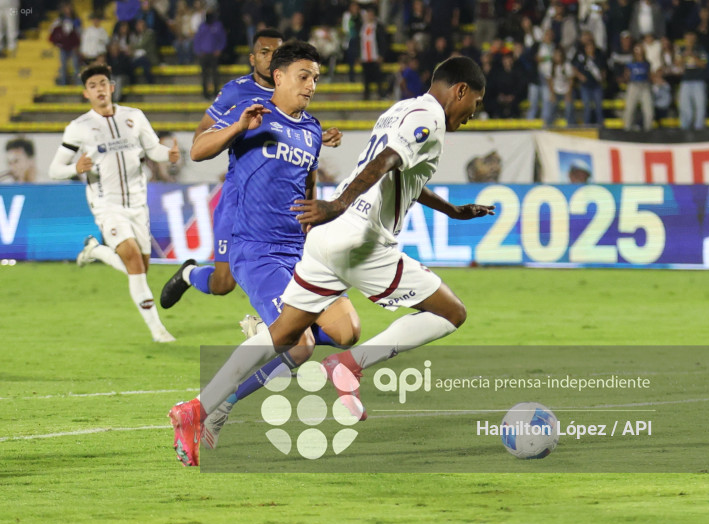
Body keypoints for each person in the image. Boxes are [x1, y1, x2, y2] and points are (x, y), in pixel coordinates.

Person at [168, 56, 494, 467]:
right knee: (452, 312)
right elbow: (389, 160)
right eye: (475, 104)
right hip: (362, 240)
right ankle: (349, 366)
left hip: (325, 241)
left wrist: (451, 211)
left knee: (285, 334)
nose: (472, 114)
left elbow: (404, 174)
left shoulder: (401, 109)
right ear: (460, 90)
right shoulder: (430, 118)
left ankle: (197, 409)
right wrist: (338, 204)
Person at [163, 38, 360, 451]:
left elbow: (306, 180)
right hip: (257, 249)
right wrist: (237, 127)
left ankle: (267, 332)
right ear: (280, 75)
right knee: (301, 345)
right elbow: (198, 149)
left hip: (299, 251)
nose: (311, 86)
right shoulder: (253, 111)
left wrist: (313, 219)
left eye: (316, 79)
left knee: (347, 332)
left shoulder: (311, 129)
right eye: (304, 77)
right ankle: (211, 408)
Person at [48, 64, 179, 342]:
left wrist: (169, 154)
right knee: (132, 260)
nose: (99, 89)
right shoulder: (78, 128)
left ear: (112, 87)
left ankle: (96, 251)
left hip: (137, 204)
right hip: (107, 204)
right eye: (93, 85)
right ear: (86, 93)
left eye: (103, 83)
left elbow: (153, 148)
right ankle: (158, 330)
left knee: (141, 269)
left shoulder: (135, 117)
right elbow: (54, 169)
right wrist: (76, 168)